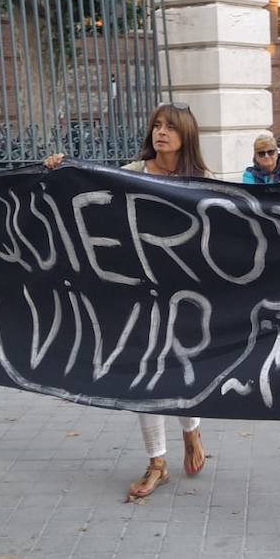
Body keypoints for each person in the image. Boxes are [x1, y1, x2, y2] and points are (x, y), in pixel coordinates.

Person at [44, 102, 209, 500]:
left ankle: (191, 431)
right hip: (134, 290)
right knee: (142, 372)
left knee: (181, 365)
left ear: (185, 135)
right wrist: (63, 168)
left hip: (181, 291)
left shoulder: (201, 181)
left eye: (169, 127)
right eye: (156, 125)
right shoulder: (133, 174)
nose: (160, 132)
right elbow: (93, 184)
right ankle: (157, 463)